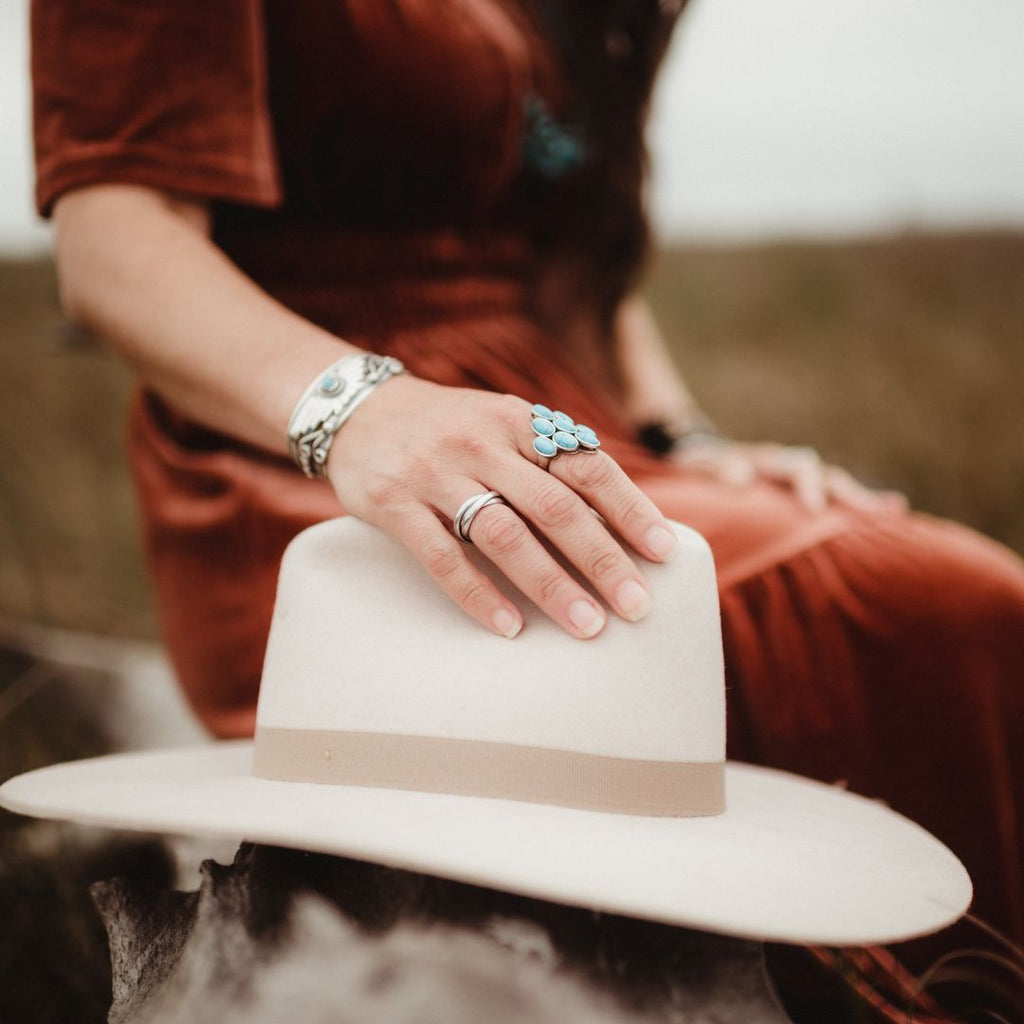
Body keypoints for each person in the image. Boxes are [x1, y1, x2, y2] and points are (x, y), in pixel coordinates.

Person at [30, 0, 1024, 979]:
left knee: (922, 588)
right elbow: (115, 248)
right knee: (925, 604)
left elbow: (579, 270)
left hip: (558, 421)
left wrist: (684, 436)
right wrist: (362, 412)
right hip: (302, 440)